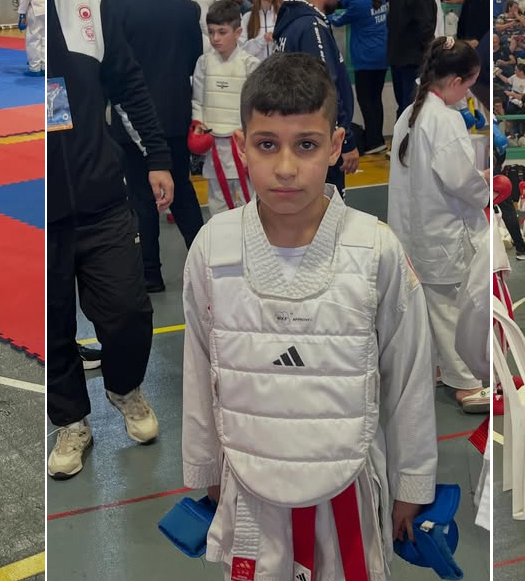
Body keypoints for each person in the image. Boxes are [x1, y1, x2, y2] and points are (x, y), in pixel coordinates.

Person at [181, 52, 437, 573]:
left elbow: (409, 374)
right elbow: (199, 366)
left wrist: (412, 482)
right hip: (249, 480)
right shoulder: (212, 247)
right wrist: (205, 469)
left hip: (348, 483)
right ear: (242, 146)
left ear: (336, 145)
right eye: (267, 144)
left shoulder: (376, 249)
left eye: (306, 145)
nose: (285, 168)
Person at [45, 0, 171, 480]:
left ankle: (124, 387)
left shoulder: (90, 5)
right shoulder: (13, 12)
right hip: (37, 212)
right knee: (51, 325)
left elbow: (130, 86)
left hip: (102, 199)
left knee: (128, 311)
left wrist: (157, 156)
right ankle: (71, 421)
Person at [388, 36, 489, 412]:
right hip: (443, 232)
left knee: (430, 307)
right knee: (451, 310)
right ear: (456, 81)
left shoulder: (409, 115)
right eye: (468, 85)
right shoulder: (444, 120)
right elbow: (459, 179)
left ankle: (437, 368)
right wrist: (484, 186)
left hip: (416, 232)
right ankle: (464, 382)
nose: (467, 94)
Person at [111, 0, 207, 292]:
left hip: (134, 115)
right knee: (182, 192)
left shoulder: (116, 6)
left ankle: (150, 273)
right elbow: (194, 62)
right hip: (174, 113)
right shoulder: (186, 8)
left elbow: (114, 64)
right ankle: (206, 266)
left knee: (141, 198)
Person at [273, 0, 359, 196]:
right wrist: (345, 141)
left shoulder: (294, 23)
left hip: (302, 134)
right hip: (320, 137)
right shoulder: (311, 26)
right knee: (327, 207)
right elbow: (325, 88)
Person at [189, 0, 260, 214]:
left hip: (242, 143)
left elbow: (258, 106)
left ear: (238, 32)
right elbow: (198, 100)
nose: (215, 38)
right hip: (214, 145)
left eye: (222, 32)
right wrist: (198, 123)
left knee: (250, 199)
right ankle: (221, 234)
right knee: (218, 201)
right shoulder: (203, 62)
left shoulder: (250, 64)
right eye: (211, 32)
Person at [330, 0, 390, 153]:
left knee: (366, 100)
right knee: (376, 99)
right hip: (381, 57)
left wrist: (324, 13)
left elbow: (337, 20)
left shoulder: (358, 5)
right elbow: (349, 2)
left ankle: (373, 141)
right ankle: (377, 139)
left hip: (365, 58)